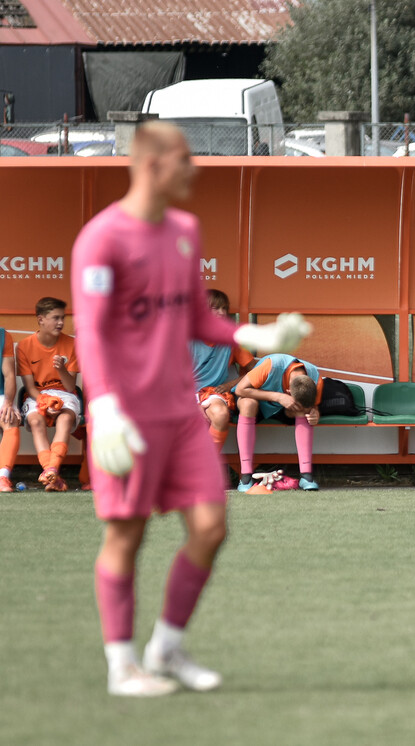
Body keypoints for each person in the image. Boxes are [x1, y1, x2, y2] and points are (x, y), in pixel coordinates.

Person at [71, 121, 310, 697]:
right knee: (126, 537)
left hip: (181, 415)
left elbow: (197, 319)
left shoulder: (183, 230)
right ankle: (122, 665)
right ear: (152, 165)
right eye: (183, 159)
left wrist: (261, 334)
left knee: (211, 526)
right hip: (126, 417)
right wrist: (105, 407)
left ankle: (166, 647)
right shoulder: (101, 241)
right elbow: (94, 335)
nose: (193, 169)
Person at [16, 297, 81, 492]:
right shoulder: (25, 346)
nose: (61, 323)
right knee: (36, 421)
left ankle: (50, 470)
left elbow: (70, 387)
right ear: (41, 319)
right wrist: (45, 401)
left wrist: (61, 369)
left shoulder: (72, 344)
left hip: (65, 393)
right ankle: (53, 474)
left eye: (62, 318)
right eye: (55, 318)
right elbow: (29, 387)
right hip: (37, 395)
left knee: (65, 419)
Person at [233, 353, 323, 492]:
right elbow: (240, 389)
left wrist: (314, 414)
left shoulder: (316, 378)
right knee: (248, 404)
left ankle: (306, 476)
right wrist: (278, 396)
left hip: (283, 409)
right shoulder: (271, 365)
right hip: (257, 399)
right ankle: (245, 477)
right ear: (288, 391)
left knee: (303, 411)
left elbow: (312, 405)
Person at [191, 289, 255, 450]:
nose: (221, 313)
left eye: (224, 309)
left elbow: (254, 372)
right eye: (215, 308)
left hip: (211, 393)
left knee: (220, 415)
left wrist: (230, 385)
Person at [0, 326, 20, 492]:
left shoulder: (3, 336)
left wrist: (8, 402)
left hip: (0, 394)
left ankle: (3, 477)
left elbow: (9, 375)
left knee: (10, 419)